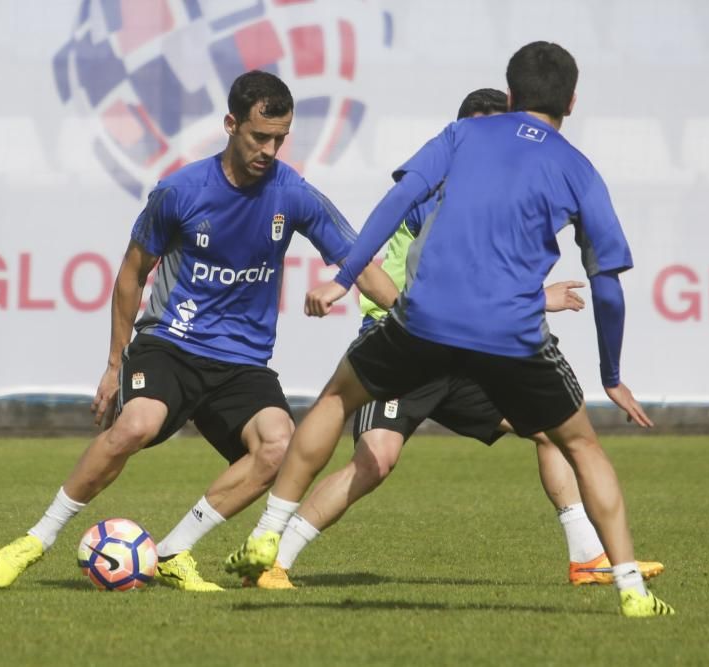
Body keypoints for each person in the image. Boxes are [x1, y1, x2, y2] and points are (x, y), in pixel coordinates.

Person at [224, 43, 674, 618]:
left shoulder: (461, 137)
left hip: (425, 321)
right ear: (572, 101)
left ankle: (269, 529)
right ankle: (632, 590)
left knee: (336, 397)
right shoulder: (578, 168)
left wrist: (342, 276)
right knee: (581, 444)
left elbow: (400, 196)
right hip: (509, 335)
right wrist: (612, 375)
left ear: (510, 97)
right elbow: (606, 283)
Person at [0, 70, 398, 592]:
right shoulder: (180, 192)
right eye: (259, 136)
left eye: (280, 139)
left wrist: (411, 315)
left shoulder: (294, 195)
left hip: (243, 362)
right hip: (171, 345)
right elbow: (132, 273)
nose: (270, 150)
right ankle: (37, 538)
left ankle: (172, 553)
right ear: (230, 125)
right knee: (134, 426)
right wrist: (115, 364)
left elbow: (361, 263)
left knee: (278, 447)